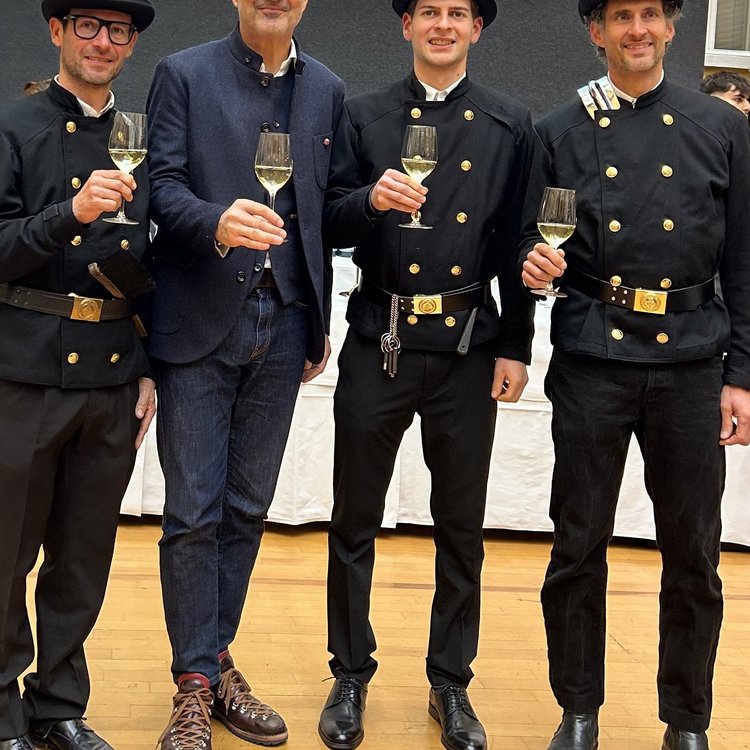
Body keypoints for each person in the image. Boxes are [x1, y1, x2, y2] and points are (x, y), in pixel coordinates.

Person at [520, 2, 750, 749]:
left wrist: (743, 374)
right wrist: (532, 261)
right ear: (597, 31)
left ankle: (687, 719)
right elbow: (526, 236)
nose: (638, 29)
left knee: (695, 554)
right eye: (621, 16)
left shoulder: (721, 127)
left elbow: (745, 260)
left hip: (692, 362)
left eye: (652, 13)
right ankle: (578, 709)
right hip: (594, 356)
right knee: (577, 544)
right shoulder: (559, 130)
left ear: (673, 26)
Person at [318, 2, 538, 749]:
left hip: (469, 346)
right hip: (378, 336)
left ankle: (451, 681)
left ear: (477, 28)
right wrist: (370, 201)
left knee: (461, 526)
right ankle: (350, 673)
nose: (442, 25)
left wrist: (517, 345)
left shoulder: (510, 124)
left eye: (457, 13)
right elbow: (328, 218)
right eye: (429, 12)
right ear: (406, 24)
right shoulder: (364, 114)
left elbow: (520, 242)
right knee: (353, 519)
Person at [146, 1, 344, 748]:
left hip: (286, 320)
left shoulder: (326, 87)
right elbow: (159, 187)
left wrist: (317, 315)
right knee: (192, 513)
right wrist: (214, 222)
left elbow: (324, 210)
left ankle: (213, 658)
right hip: (199, 317)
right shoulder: (184, 73)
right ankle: (196, 683)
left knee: (248, 507)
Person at [0, 2, 156, 750]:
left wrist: (149, 366)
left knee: (84, 556)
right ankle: (2, 712)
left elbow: (150, 265)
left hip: (112, 375)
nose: (102, 42)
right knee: (6, 555)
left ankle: (58, 706)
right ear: (57, 31)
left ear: (132, 44)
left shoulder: (142, 139)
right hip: (22, 372)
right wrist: (70, 212)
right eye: (87, 25)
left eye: (117, 30)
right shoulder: (13, 127)